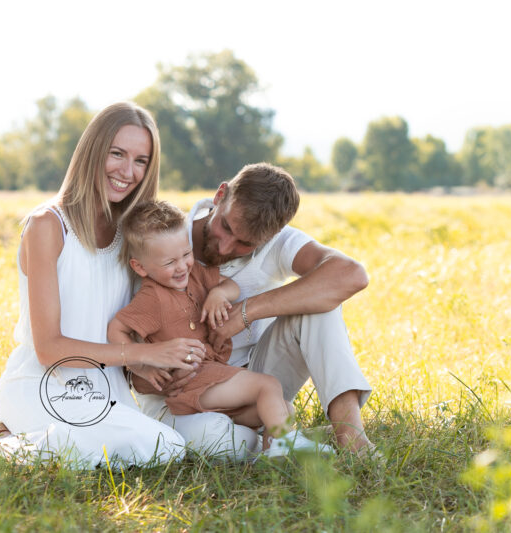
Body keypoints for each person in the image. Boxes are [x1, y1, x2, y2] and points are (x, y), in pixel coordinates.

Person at [0, 102, 196, 469]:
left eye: (141, 161)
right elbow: (49, 348)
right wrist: (144, 355)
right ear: (93, 151)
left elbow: (120, 321)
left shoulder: (133, 236)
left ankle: (3, 443)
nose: (127, 172)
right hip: (41, 384)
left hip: (106, 392)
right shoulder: (48, 225)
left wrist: (146, 365)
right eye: (117, 154)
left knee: (164, 447)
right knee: (156, 444)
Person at [131, 162, 375, 455]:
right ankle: (281, 435)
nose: (224, 248)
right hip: (178, 392)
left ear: (271, 236)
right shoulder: (162, 240)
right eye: (225, 227)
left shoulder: (277, 242)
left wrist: (245, 312)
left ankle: (349, 434)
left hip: (252, 381)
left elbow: (352, 275)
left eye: (244, 244)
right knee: (218, 444)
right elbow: (124, 334)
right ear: (221, 195)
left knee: (322, 304)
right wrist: (154, 370)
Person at [107, 201, 332, 458]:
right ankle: (284, 443)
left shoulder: (196, 275)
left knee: (284, 409)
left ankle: (275, 455)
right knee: (267, 386)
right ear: (140, 267)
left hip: (212, 376)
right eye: (170, 262)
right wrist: (141, 364)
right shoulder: (152, 299)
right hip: (192, 381)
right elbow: (117, 328)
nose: (182, 266)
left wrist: (218, 292)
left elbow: (232, 286)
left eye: (185, 255)